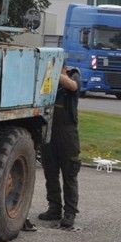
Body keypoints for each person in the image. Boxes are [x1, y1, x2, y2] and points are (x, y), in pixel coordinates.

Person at [38, 66, 82, 229]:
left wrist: (52, 71)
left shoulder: (73, 76)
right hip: (49, 131)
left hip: (67, 133)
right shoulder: (47, 80)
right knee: (50, 173)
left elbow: (73, 87)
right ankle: (54, 208)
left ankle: (69, 213)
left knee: (69, 174)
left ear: (63, 67)